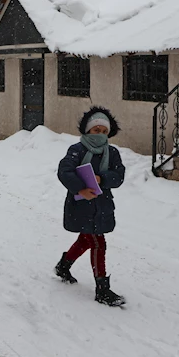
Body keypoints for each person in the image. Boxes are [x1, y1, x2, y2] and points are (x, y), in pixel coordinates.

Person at [55, 107, 126, 307]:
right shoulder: (77, 150)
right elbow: (64, 171)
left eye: (105, 131)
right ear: (87, 131)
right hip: (81, 206)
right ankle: (102, 289)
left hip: (102, 205)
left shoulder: (112, 153)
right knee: (97, 243)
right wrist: (80, 189)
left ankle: (63, 266)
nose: (101, 135)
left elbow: (119, 176)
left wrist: (102, 178)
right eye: (96, 130)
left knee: (86, 240)